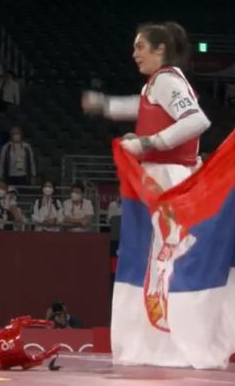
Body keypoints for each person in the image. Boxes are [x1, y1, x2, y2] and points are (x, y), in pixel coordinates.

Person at [82, 20, 211, 366]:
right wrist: (105, 105)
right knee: (155, 258)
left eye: (140, 46)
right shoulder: (156, 84)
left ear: (160, 50)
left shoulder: (167, 80)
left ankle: (169, 344)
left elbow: (197, 121)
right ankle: (157, 343)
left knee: (163, 258)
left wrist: (147, 144)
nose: (134, 53)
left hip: (169, 180)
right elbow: (140, 108)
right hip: (158, 179)